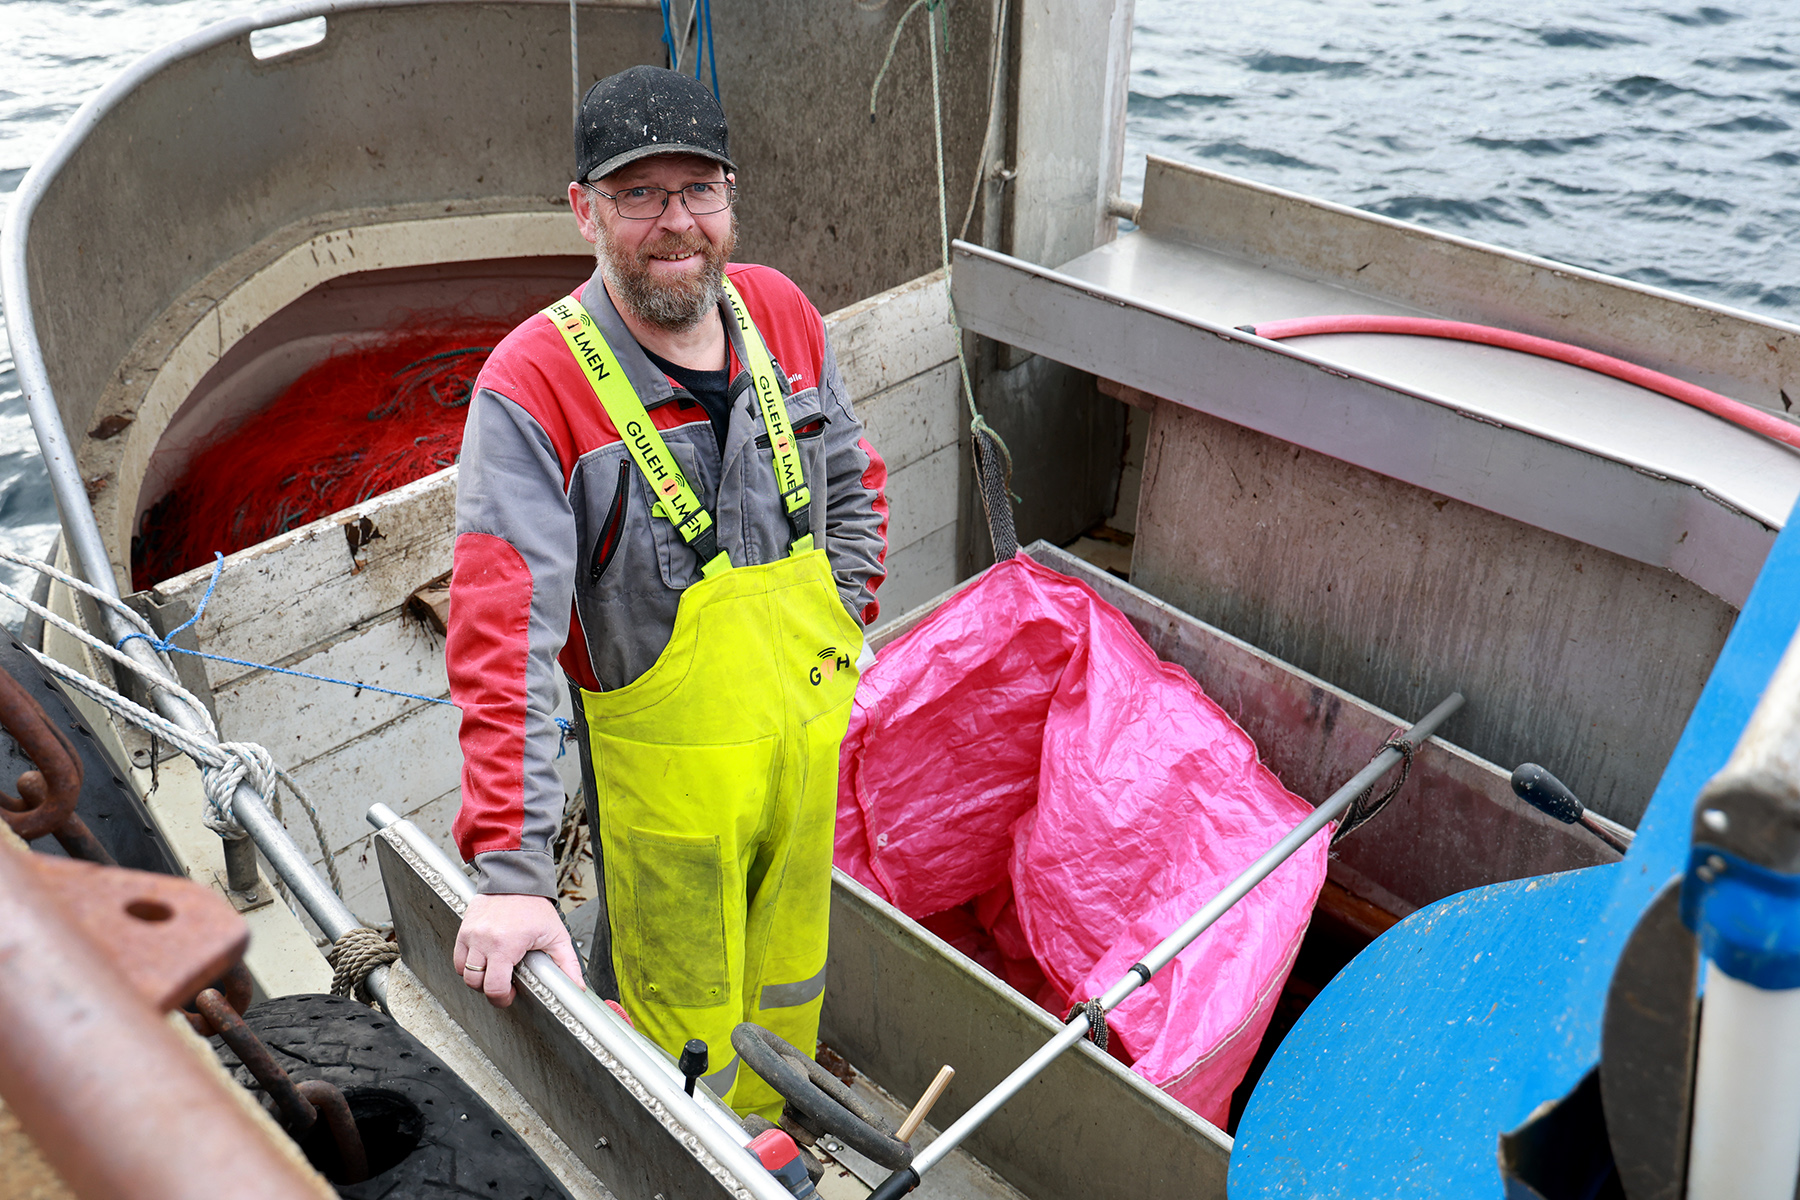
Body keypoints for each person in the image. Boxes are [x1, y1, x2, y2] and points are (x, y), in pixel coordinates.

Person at [444, 65, 888, 1119]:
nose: (675, 222)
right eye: (638, 193)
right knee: (674, 1050)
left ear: (731, 196)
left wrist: (838, 634)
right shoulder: (533, 384)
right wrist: (515, 878)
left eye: (699, 189)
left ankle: (776, 1144)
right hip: (664, 800)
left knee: (788, 995)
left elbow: (854, 483)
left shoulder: (782, 313)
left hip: (805, 755)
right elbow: (502, 645)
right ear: (584, 211)